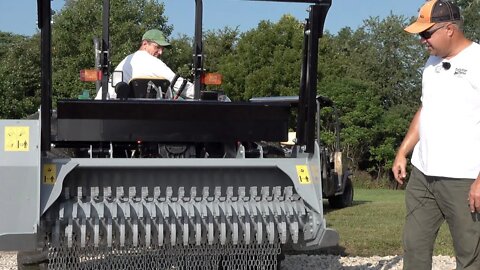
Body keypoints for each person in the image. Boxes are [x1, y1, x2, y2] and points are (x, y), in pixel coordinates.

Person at [391, 1, 480, 269]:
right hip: (422, 176)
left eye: (426, 33)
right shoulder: (431, 64)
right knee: (415, 248)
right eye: (420, 34)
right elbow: (425, 110)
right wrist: (402, 151)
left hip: (463, 180)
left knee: (469, 256)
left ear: (450, 29)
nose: (422, 40)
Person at [95, 29, 194, 99]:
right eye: (157, 47)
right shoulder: (153, 62)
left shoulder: (127, 61)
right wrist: (200, 94)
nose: (160, 52)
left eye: (162, 49)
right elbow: (180, 85)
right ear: (145, 44)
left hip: (113, 111)